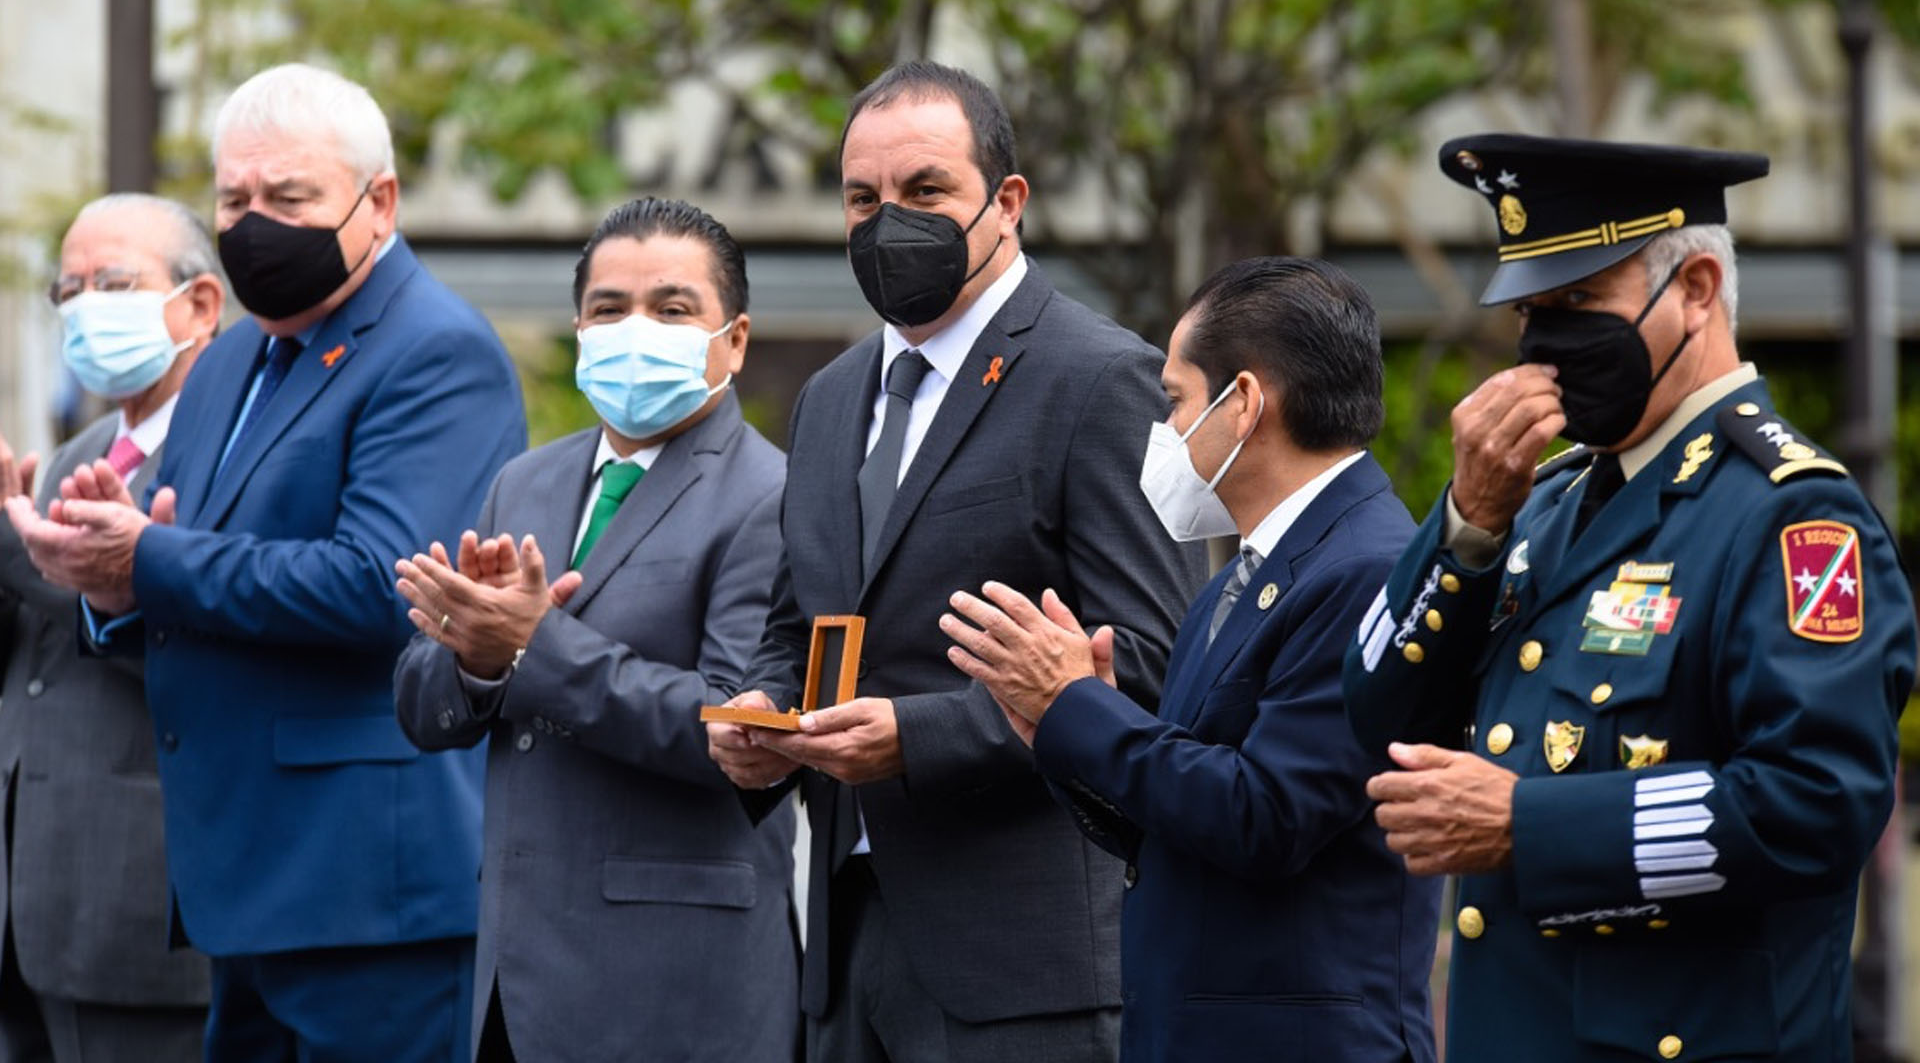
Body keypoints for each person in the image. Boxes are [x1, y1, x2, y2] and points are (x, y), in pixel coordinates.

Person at [1343, 133, 1917, 1062]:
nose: (1546, 344)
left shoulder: (1791, 514)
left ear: (1695, 289)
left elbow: (1819, 805)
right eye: (1533, 312)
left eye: (1580, 303)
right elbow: (1376, 711)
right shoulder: (1545, 500)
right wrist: (1466, 527)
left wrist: (1527, 826)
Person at [3, 63, 526, 1062]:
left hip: (368, 892)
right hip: (237, 886)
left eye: (288, 198)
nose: (253, 225)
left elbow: (386, 584)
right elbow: (179, 560)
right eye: (233, 199)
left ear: (380, 203)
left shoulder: (436, 351)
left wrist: (148, 559)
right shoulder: (236, 358)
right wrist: (104, 577)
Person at [706, 61, 1207, 1061]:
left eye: (925, 191)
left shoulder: (1100, 378)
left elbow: (1149, 662)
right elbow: (794, 625)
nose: (889, 220)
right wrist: (760, 719)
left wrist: (919, 737)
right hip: (844, 945)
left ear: (1007, 202)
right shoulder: (832, 395)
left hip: (1027, 961)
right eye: (864, 198)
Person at [941, 257, 1440, 1062]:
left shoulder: (1366, 566)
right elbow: (1177, 823)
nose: (1166, 432)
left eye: (1174, 400)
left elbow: (1266, 817)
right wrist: (1065, 728)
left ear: (1242, 403)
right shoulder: (1239, 579)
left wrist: (1080, 707)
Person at [391, 197, 797, 1063]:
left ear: (735, 339)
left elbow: (736, 728)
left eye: (673, 307)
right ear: (579, 329)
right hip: (515, 972)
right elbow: (426, 708)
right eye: (609, 309)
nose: (635, 327)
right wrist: (476, 662)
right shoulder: (526, 483)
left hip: (674, 983)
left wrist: (537, 645)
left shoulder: (772, 496)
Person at [0, 193, 220, 1063]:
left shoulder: (231, 447)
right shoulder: (78, 451)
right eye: (71, 289)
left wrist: (26, 556)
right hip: (30, 907)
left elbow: (196, 628)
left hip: (139, 909)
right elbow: (37, 656)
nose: (87, 306)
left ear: (199, 304)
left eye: (116, 282)